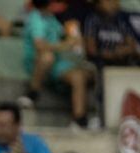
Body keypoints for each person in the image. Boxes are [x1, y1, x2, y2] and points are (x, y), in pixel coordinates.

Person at [21, 0, 94, 130]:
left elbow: (64, 36)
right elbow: (40, 46)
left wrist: (74, 38)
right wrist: (65, 45)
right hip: (36, 63)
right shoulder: (35, 18)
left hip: (57, 64)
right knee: (47, 57)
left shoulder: (51, 18)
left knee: (79, 75)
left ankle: (79, 120)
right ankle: (32, 93)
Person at [84, 0, 140, 66]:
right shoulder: (92, 19)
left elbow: (131, 45)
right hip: (99, 62)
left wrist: (124, 50)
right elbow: (91, 50)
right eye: (109, 1)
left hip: (122, 62)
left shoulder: (122, 20)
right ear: (98, 5)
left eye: (115, 1)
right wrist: (111, 54)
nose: (113, 4)